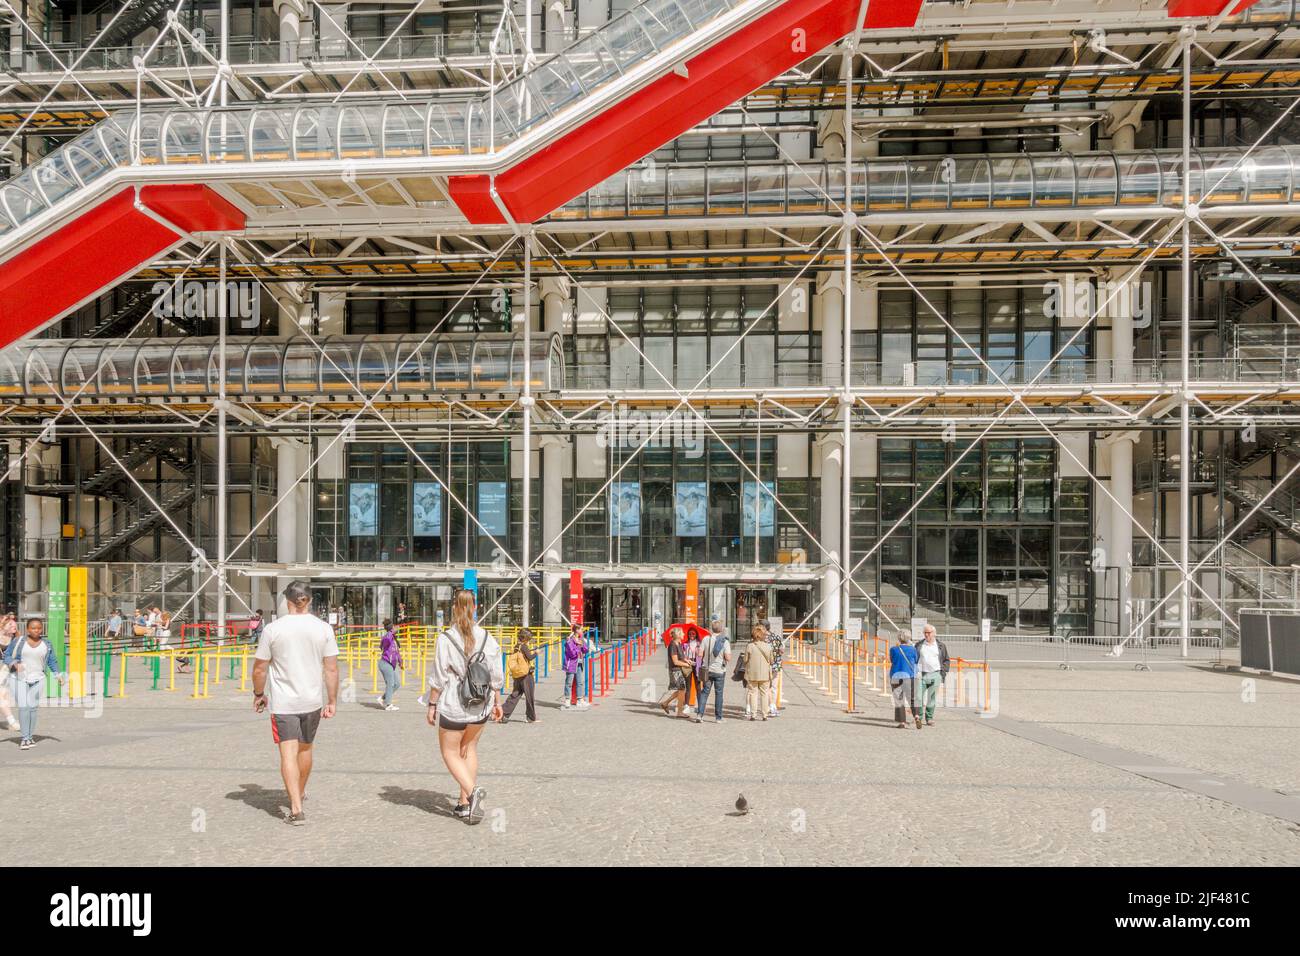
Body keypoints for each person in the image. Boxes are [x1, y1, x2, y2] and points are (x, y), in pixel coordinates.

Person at [252, 581, 340, 826]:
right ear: (310, 601)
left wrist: (258, 693)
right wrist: (331, 700)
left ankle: (296, 807)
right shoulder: (323, 628)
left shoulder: (273, 629)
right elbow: (331, 669)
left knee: (287, 754)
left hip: (283, 703)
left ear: (287, 601)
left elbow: (260, 668)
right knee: (306, 749)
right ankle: (299, 791)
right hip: (312, 699)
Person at [426, 589, 503, 824]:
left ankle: (472, 792)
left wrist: (432, 704)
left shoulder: (446, 638)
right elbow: (496, 674)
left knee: (450, 752)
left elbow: (439, 677)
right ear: (476, 607)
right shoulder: (488, 637)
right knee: (468, 749)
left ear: (454, 608)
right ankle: (463, 804)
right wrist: (498, 702)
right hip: (481, 705)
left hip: (454, 705)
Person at [3, 618, 64, 750]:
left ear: (42, 629)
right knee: (24, 707)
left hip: (39, 678)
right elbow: (6, 656)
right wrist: (14, 663)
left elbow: (52, 661)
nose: (36, 630)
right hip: (19, 678)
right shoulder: (18, 641)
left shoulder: (46, 644)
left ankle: (30, 736)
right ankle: (24, 738)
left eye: (39, 628)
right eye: (33, 628)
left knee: (33, 708)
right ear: (27, 629)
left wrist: (58, 675)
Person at [692, 620, 731, 724]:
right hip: (720, 671)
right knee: (719, 694)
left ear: (711, 629)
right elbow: (728, 658)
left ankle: (699, 715)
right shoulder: (725, 641)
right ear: (721, 629)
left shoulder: (706, 639)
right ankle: (718, 718)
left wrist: (698, 651)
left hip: (707, 670)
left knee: (705, 692)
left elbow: (700, 655)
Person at [913, 624, 950, 727]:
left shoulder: (941, 646)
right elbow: (914, 658)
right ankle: (919, 718)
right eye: (925, 632)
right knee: (919, 697)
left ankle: (929, 718)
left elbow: (946, 659)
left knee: (932, 698)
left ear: (934, 633)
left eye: (928, 633)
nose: (926, 634)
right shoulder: (919, 645)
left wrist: (944, 672)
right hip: (922, 674)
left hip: (936, 674)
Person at [501, 627, 538, 723]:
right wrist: (536, 653)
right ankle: (530, 717)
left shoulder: (517, 646)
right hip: (526, 675)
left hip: (518, 674)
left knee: (515, 695)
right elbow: (529, 657)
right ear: (526, 638)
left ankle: (504, 714)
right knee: (529, 696)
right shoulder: (524, 646)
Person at [742, 624, 774, 721]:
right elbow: (772, 661)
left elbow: (745, 660)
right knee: (764, 693)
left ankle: (753, 714)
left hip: (752, 674)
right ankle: (764, 715)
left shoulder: (750, 646)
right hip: (765, 674)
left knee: (753, 693)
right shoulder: (768, 647)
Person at [889, 629, 920, 729]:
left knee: (899, 699)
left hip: (896, 676)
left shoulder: (894, 649)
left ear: (899, 638)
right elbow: (916, 660)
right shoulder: (913, 649)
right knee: (912, 698)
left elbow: (892, 660)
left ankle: (902, 722)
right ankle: (916, 716)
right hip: (909, 676)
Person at [658, 626, 691, 717]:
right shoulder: (672, 645)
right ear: (678, 635)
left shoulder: (678, 643)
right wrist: (686, 665)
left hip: (678, 670)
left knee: (681, 690)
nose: (684, 634)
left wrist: (687, 660)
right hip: (675, 670)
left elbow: (681, 657)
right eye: (682, 633)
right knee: (682, 690)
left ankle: (665, 703)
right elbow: (675, 661)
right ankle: (679, 712)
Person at [561, 624, 590, 710]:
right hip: (571, 664)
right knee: (569, 682)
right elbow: (572, 654)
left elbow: (586, 650)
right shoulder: (569, 640)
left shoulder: (580, 639)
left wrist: (581, 644)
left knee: (580, 682)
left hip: (579, 663)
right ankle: (567, 699)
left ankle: (580, 699)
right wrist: (577, 645)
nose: (582, 631)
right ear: (576, 630)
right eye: (581, 629)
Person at [376, 618, 402, 711]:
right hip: (385, 663)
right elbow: (386, 640)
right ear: (391, 627)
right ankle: (388, 704)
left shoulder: (394, 638)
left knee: (397, 683)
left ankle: (383, 698)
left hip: (392, 664)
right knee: (390, 683)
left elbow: (397, 652)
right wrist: (392, 632)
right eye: (394, 626)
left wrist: (400, 662)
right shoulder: (387, 637)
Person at [0, 614, 19, 731]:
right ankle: (12, 722)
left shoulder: (16, 639)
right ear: (2, 626)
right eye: (10, 624)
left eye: (14, 623)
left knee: (5, 698)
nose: (14, 625)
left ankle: (11, 721)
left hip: (5, 673)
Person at [682, 626, 703, 716]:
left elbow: (703, 654)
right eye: (690, 634)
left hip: (697, 666)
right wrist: (685, 658)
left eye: (693, 634)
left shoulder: (700, 643)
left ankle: (700, 706)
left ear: (696, 634)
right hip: (688, 665)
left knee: (698, 687)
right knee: (688, 686)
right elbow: (682, 655)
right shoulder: (685, 644)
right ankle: (686, 706)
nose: (691, 635)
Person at [767, 621, 784, 718]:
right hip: (776, 665)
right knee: (773, 686)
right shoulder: (777, 637)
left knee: (765, 686)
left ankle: (767, 706)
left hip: (766, 665)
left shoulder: (763, 639)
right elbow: (782, 651)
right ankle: (772, 705)